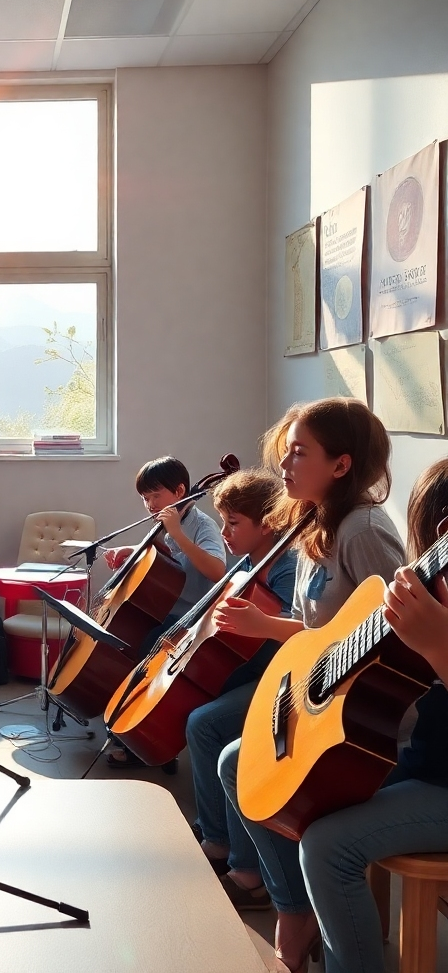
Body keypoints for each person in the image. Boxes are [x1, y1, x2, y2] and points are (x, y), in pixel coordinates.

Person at [214, 398, 404, 973]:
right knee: (234, 764)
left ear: (341, 465)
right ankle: (293, 908)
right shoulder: (313, 525)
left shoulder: (364, 529)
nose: (285, 465)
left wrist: (266, 628)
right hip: (320, 698)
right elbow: (326, 633)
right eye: (286, 452)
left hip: (367, 722)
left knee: (234, 759)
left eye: (299, 453)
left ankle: (300, 917)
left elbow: (387, 633)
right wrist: (263, 626)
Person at [293, 457, 448, 973]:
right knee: (309, 796)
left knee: (327, 847)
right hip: (430, 768)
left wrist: (439, 647)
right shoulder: (437, 595)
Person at [186, 469, 297, 887]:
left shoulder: (287, 565)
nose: (225, 533)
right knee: (202, 713)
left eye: (233, 523)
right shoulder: (253, 560)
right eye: (223, 521)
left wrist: (259, 621)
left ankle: (242, 861)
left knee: (206, 721)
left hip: (281, 676)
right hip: (254, 668)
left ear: (266, 523)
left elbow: (284, 629)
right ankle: (216, 835)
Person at [103, 455, 227, 767]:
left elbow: (217, 570)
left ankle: (148, 741)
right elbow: (165, 560)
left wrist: (178, 533)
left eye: (155, 495)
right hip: (165, 612)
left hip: (189, 619)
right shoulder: (167, 523)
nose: (149, 504)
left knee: (144, 655)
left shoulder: (201, 524)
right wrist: (130, 552)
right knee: (123, 645)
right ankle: (126, 729)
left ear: (180, 490)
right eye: (145, 498)